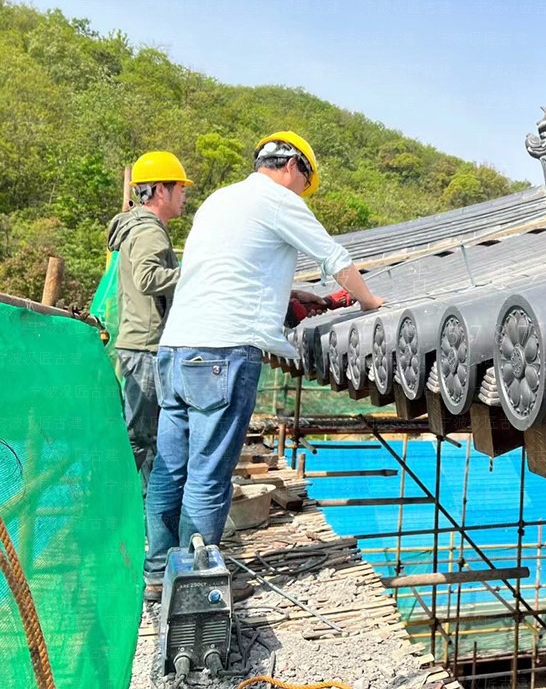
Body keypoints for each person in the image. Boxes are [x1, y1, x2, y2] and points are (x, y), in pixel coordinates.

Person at [143, 131, 383, 599]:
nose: (300, 193)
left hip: (175, 351)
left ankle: (157, 575)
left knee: (169, 470)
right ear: (292, 166)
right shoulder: (277, 198)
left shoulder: (219, 201)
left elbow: (227, 272)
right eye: (304, 183)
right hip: (222, 353)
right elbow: (335, 258)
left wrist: (292, 296)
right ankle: (194, 584)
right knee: (208, 472)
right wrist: (371, 301)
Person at [107, 151, 191, 493]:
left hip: (139, 346)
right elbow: (147, 277)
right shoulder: (149, 230)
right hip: (146, 348)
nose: (185, 196)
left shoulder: (139, 227)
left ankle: (139, 515)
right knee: (140, 439)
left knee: (145, 438)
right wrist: (196, 274)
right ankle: (126, 514)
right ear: (160, 191)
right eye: (180, 189)